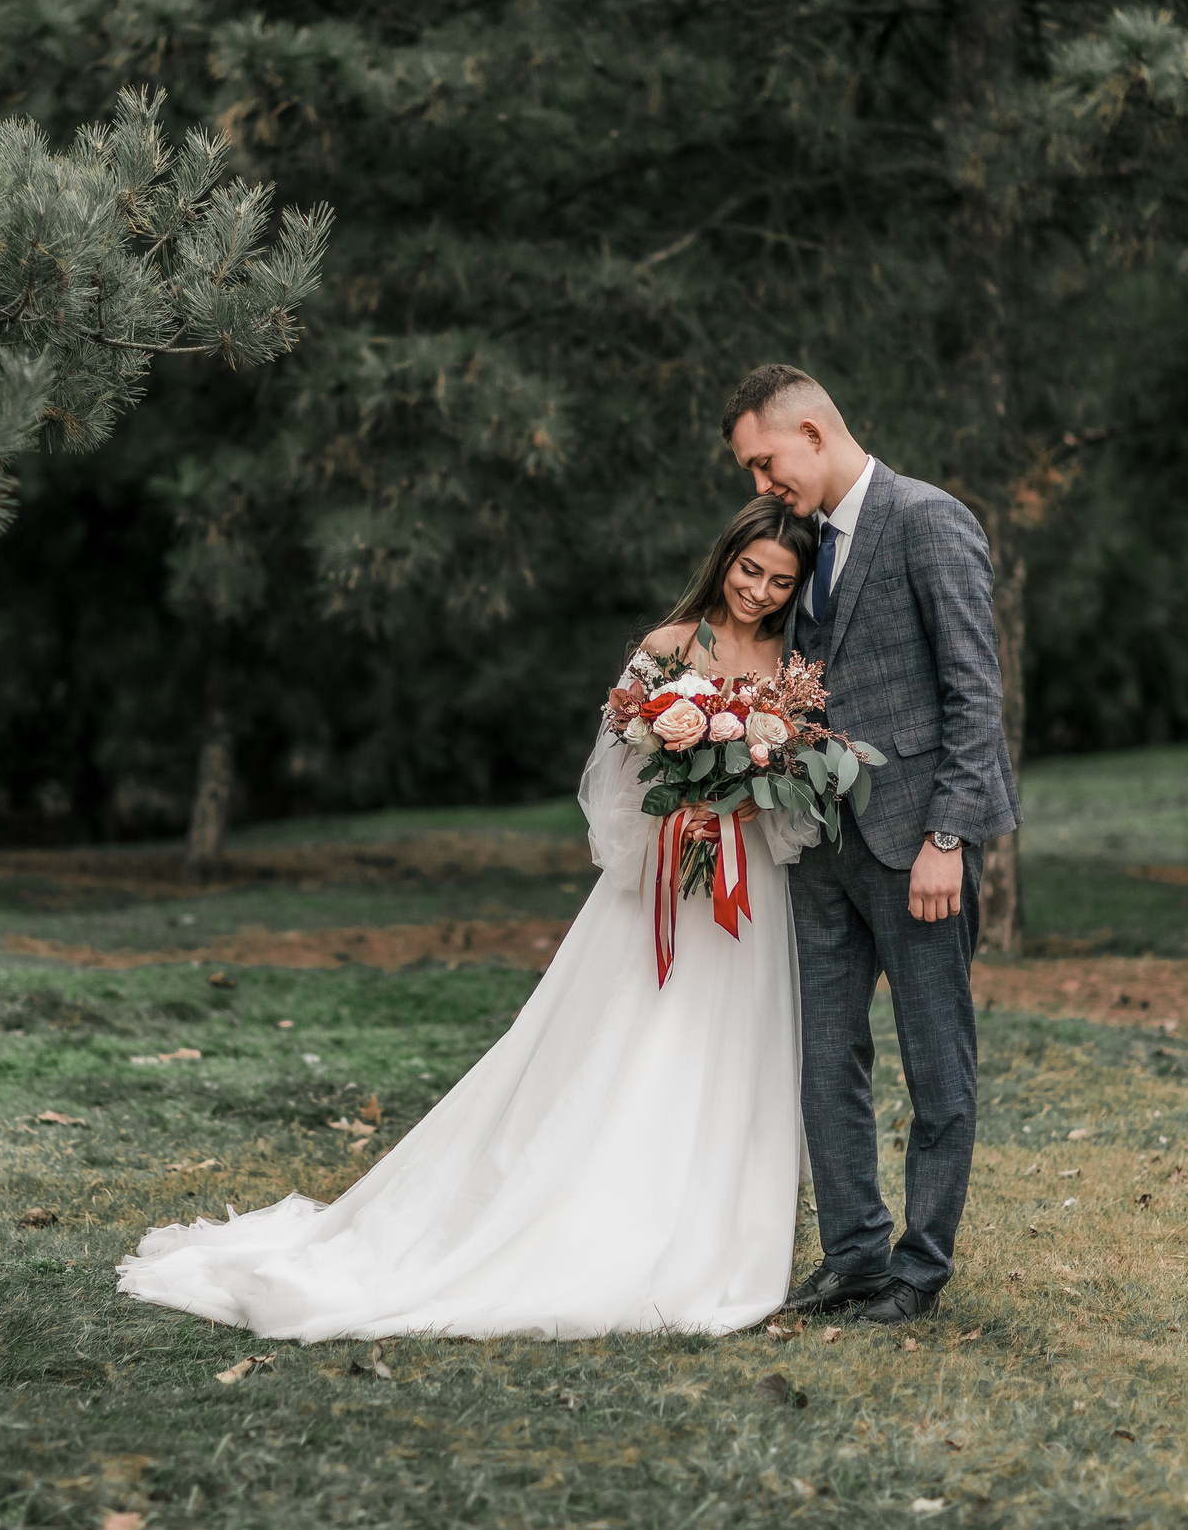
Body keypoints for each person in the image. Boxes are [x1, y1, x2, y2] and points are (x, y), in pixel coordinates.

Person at [116, 497, 819, 1340]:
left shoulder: (793, 663)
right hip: (664, 892)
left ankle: (715, 1231)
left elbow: (794, 793)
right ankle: (599, 1216)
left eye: (781, 582)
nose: (761, 592)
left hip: (744, 896)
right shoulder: (667, 650)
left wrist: (740, 808)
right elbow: (618, 788)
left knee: (730, 1047)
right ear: (725, 557)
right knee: (627, 1048)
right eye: (750, 571)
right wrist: (680, 819)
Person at [725, 364, 1020, 1328]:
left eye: (765, 463)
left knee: (937, 1063)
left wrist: (949, 835)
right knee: (825, 1056)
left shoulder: (931, 520)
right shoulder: (801, 545)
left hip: (915, 847)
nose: (761, 486)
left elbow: (975, 695)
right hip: (817, 844)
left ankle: (919, 1268)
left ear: (811, 431)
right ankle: (853, 1253)